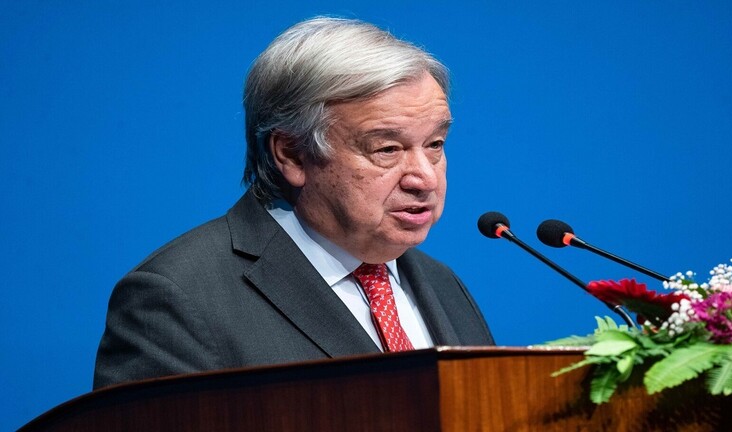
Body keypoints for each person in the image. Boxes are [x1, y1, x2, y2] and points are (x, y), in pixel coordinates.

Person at [93, 16, 494, 389]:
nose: (425, 178)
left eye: (435, 144)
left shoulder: (441, 284)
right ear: (292, 155)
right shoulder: (178, 298)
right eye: (387, 149)